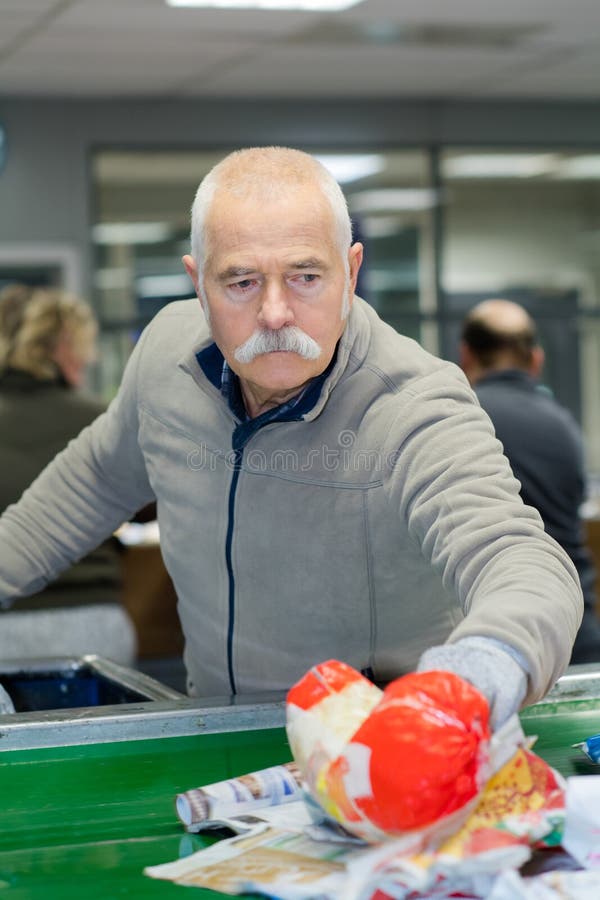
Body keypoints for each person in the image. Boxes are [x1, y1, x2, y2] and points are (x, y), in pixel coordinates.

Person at [0, 148, 583, 728]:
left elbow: (518, 560)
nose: (275, 313)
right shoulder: (164, 360)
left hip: (375, 748)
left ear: (351, 273)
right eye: (242, 282)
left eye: (305, 277)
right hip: (211, 732)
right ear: (198, 283)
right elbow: (88, 486)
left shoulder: (413, 405)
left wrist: (481, 667)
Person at [0, 284, 137, 666]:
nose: (88, 359)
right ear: (62, 348)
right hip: (92, 620)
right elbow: (150, 502)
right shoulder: (101, 420)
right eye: (82, 349)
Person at [460, 298, 600, 663]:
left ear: (466, 356)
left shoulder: (461, 421)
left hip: (504, 643)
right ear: (536, 359)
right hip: (577, 633)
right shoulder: (565, 426)